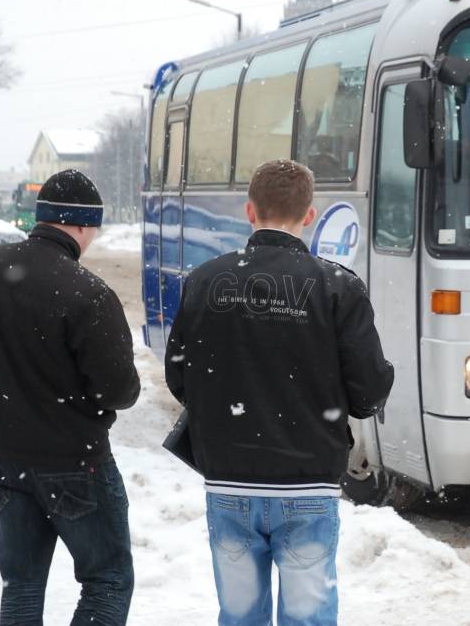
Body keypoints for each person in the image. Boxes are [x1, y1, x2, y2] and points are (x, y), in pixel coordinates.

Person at [166, 159, 394, 626]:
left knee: (240, 616)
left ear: (250, 211)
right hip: (307, 483)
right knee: (308, 620)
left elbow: (179, 377)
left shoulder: (205, 281)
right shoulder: (338, 287)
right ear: (309, 216)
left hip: (229, 480)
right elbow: (368, 392)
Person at [0, 170, 140, 625]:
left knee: (22, 585)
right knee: (107, 579)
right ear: (80, 226)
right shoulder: (88, 292)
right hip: (77, 460)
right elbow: (118, 390)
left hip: (10, 460)